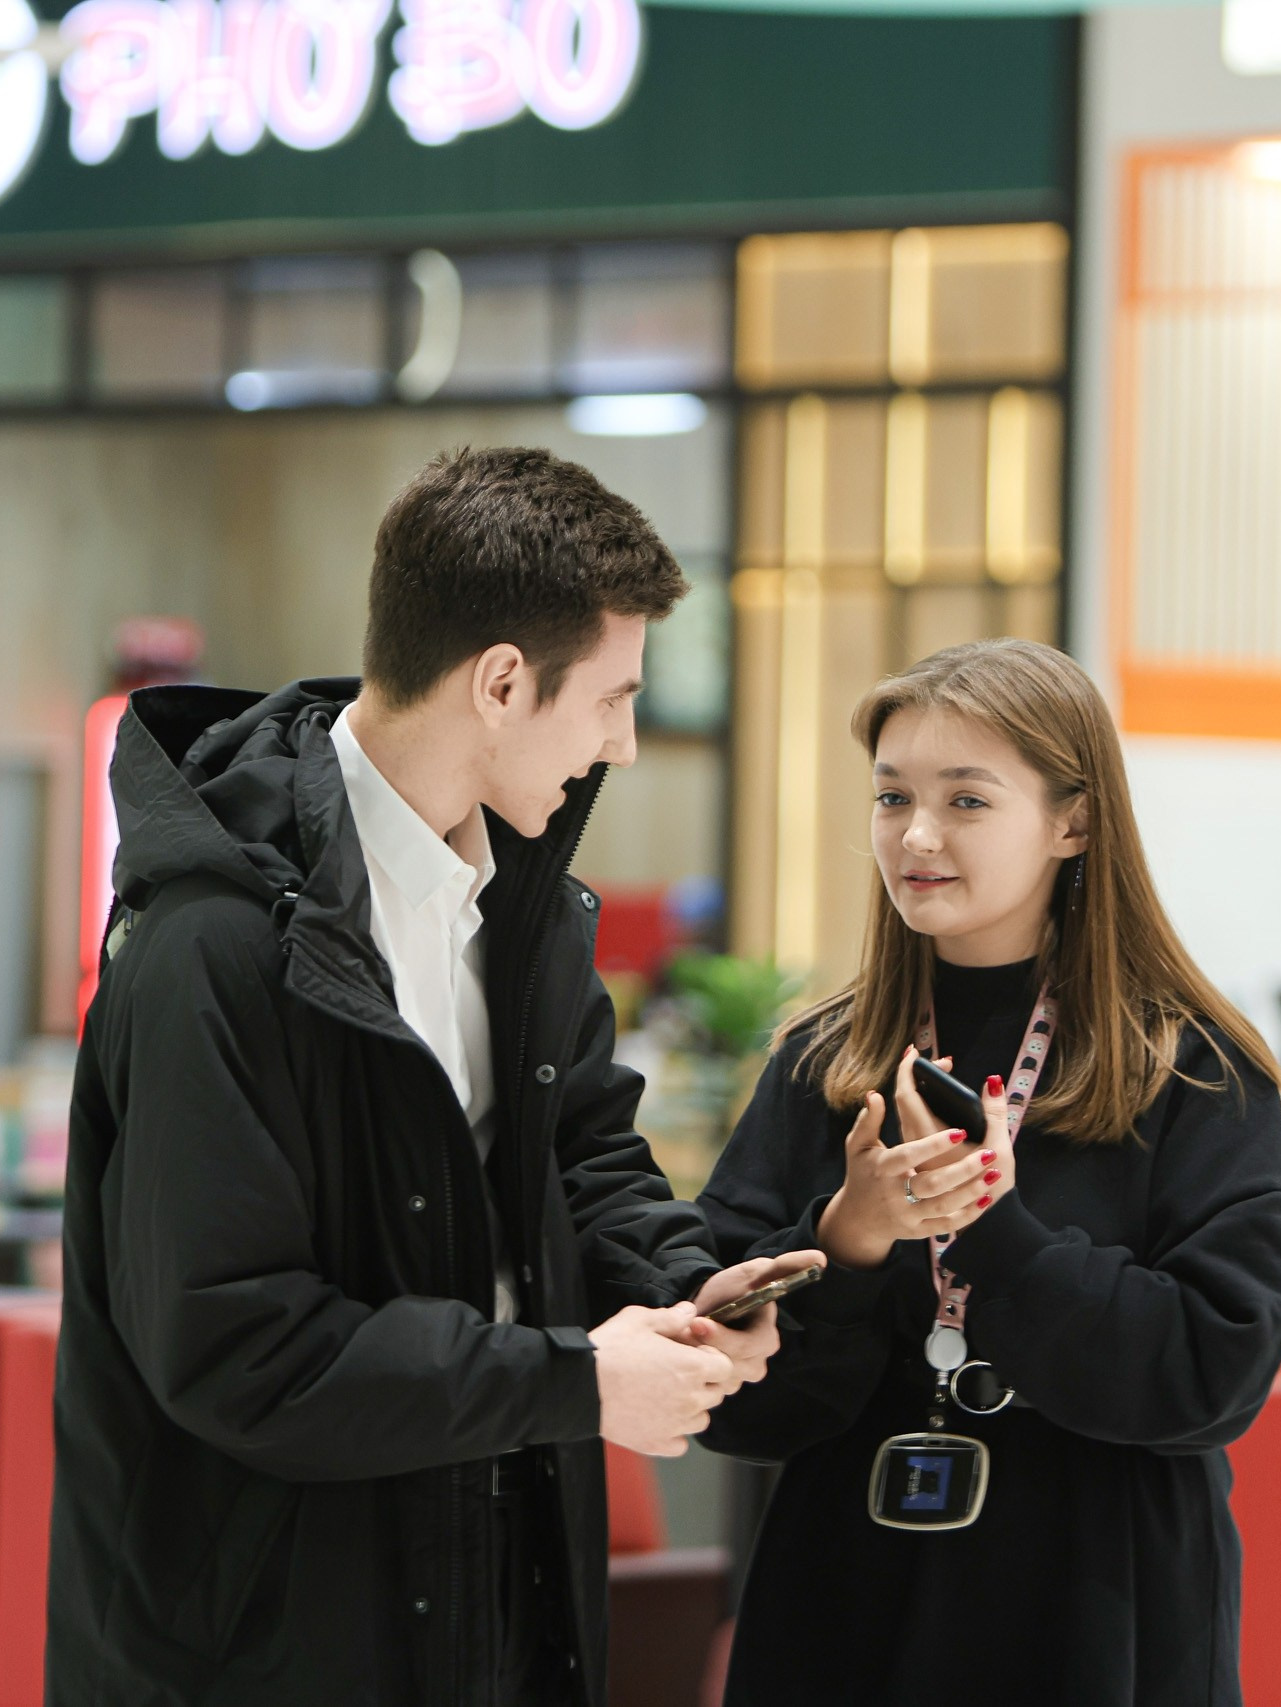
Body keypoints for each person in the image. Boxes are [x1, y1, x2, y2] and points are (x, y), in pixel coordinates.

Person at [47, 446, 820, 1707]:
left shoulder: (523, 913)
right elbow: (237, 1346)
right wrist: (578, 1380)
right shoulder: (213, 946)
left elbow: (585, 1159)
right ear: (504, 684)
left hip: (490, 1608)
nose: (622, 745)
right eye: (613, 699)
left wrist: (682, 1285)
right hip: (258, 1655)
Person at [698, 638, 1281, 1707]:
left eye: (966, 801)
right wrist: (848, 1242)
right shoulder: (820, 1063)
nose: (916, 836)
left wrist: (999, 1234)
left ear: (1071, 822)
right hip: (845, 1591)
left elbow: (1215, 1377)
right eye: (892, 798)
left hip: (1098, 1596)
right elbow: (730, 1400)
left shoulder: (1191, 1066)